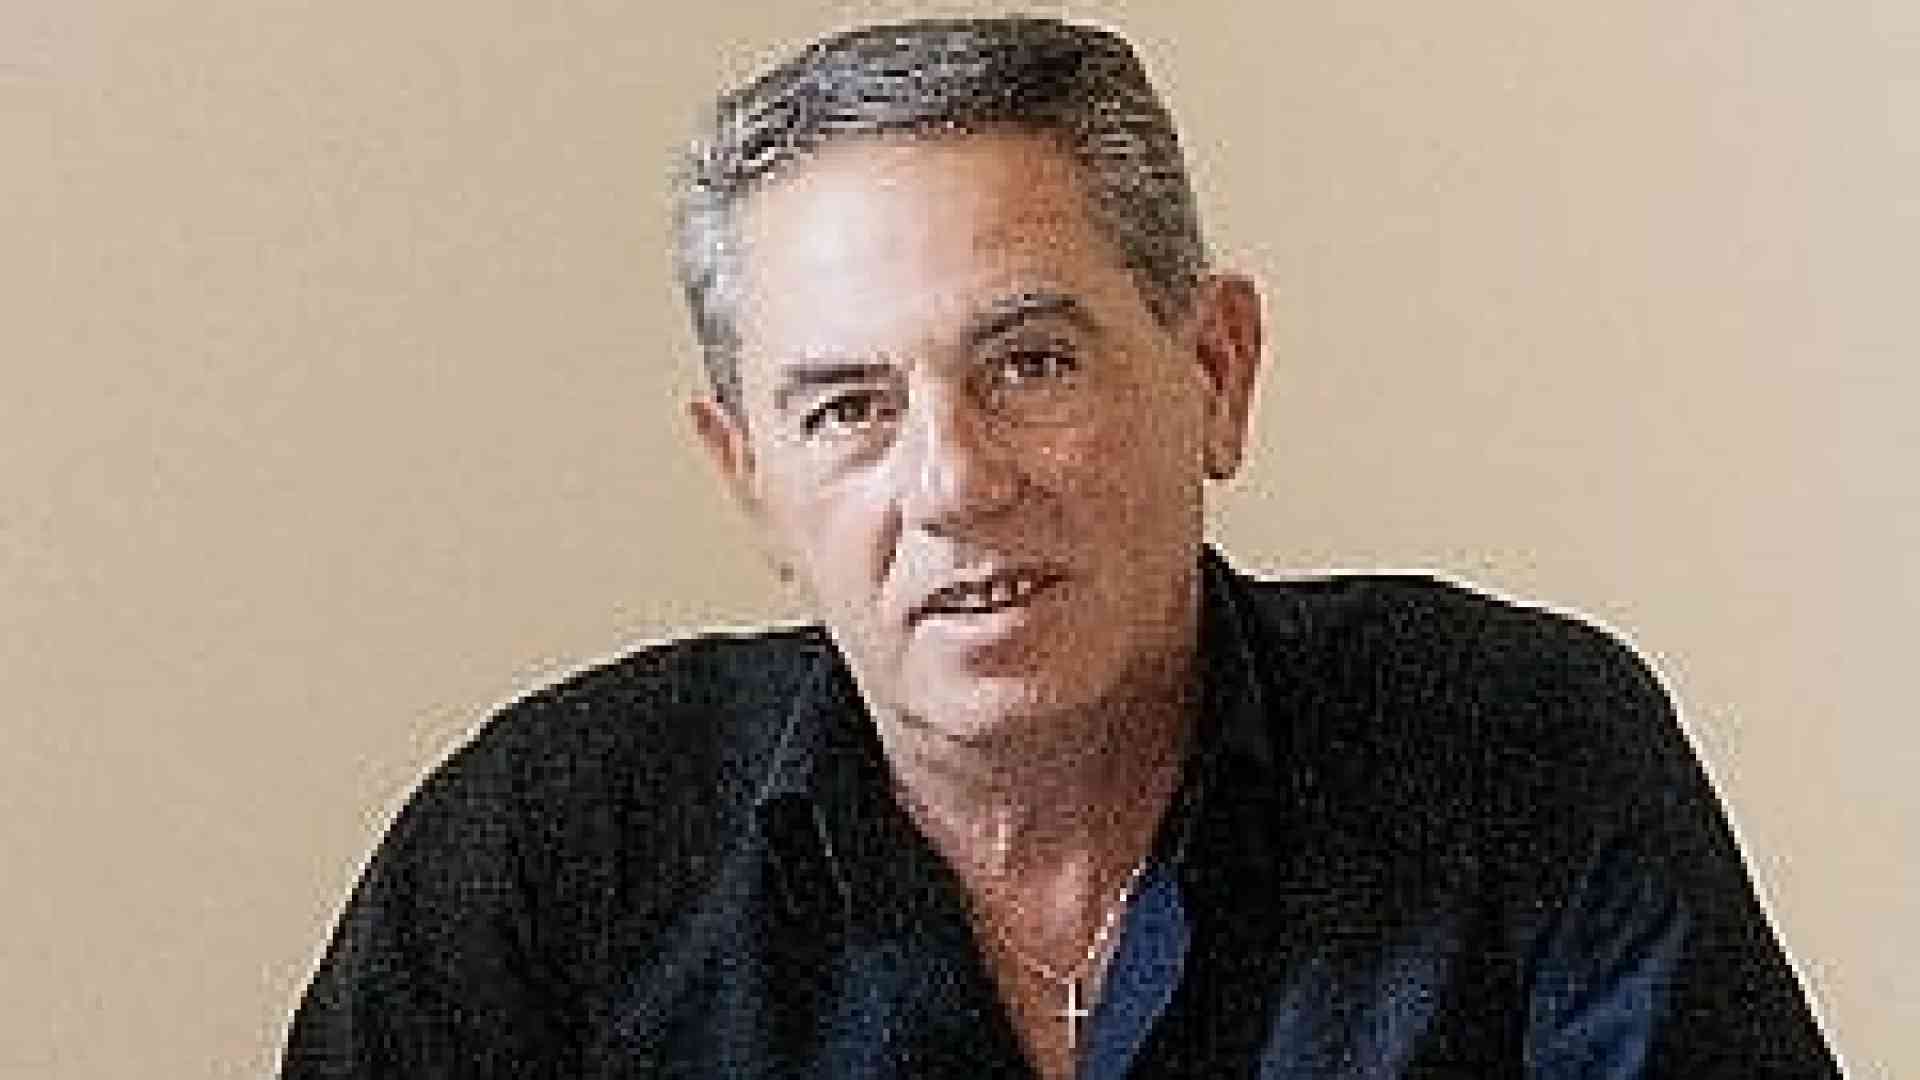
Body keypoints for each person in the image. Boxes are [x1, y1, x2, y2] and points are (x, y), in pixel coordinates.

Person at [280, 15, 1839, 1079]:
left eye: (1031, 364)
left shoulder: (1520, 754)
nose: (954, 482)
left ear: (1216, 371)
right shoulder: (548, 853)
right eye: (848, 409)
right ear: (747, 476)